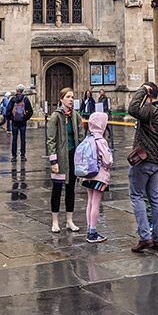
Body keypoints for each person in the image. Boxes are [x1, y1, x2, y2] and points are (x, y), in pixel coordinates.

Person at [127, 82, 158, 253]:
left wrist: (142, 90)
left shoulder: (148, 110)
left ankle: (145, 237)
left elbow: (132, 109)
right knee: (154, 198)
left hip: (143, 160)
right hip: (157, 161)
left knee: (136, 195)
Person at [46, 87, 84, 233]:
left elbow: (81, 137)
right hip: (60, 158)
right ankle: (55, 221)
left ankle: (69, 220)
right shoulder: (55, 117)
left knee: (70, 189)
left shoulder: (76, 116)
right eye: (68, 97)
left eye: (72, 97)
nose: (71, 99)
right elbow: (51, 140)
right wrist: (53, 161)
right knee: (56, 189)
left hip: (72, 156)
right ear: (61, 99)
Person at [81, 110, 113, 243]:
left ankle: (89, 229)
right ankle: (92, 233)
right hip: (99, 176)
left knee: (89, 202)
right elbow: (108, 160)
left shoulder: (88, 138)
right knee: (96, 203)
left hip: (87, 175)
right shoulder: (101, 141)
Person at [6, 85, 33, 161]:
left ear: (17, 90)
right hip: (22, 122)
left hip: (14, 122)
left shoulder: (13, 99)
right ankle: (23, 155)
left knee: (14, 139)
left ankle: (14, 156)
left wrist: (12, 118)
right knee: (23, 139)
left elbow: (8, 111)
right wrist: (25, 118)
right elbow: (30, 111)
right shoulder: (25, 99)